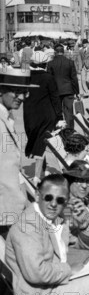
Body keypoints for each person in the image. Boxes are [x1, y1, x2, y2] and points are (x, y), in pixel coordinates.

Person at [0, 67, 34, 239]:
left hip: (11, 203)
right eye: (16, 92)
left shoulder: (7, 117)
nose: (21, 97)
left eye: (25, 92)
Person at [23, 51, 62, 164]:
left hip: (29, 115)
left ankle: (41, 171)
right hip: (46, 115)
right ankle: (37, 177)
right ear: (45, 64)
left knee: (36, 142)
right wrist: (60, 116)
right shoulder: (48, 78)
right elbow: (55, 98)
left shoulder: (26, 76)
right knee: (41, 144)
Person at [47, 44, 80, 129]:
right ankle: (70, 130)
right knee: (69, 112)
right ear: (63, 52)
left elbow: (49, 79)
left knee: (57, 111)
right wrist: (77, 92)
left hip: (55, 90)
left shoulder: (50, 63)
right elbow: (74, 78)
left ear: (55, 52)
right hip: (68, 90)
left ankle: (58, 129)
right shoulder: (70, 62)